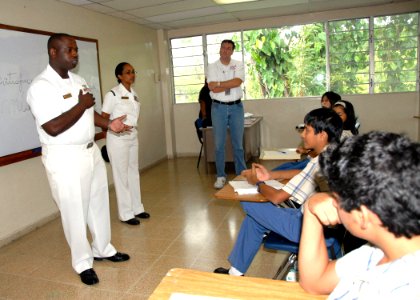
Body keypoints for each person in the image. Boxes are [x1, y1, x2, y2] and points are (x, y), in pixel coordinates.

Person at [26, 33, 131, 285]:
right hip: (64, 156)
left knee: (98, 202)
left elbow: (89, 112)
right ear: (53, 52)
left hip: (89, 150)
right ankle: (82, 263)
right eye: (69, 50)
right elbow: (52, 126)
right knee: (74, 210)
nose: (75, 54)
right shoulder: (41, 86)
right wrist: (81, 105)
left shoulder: (78, 80)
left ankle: (103, 248)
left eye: (75, 50)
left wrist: (109, 124)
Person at [213, 108, 343, 276]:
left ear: (322, 135)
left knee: (247, 200)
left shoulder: (319, 161)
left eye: (307, 130)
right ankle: (235, 273)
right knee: (254, 220)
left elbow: (277, 198)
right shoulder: (334, 154)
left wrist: (258, 182)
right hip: (323, 225)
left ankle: (236, 271)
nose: (303, 134)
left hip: (308, 227)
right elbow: (302, 174)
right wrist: (269, 176)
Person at [298, 131, 420, 298]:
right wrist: (311, 210)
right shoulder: (378, 251)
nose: (332, 203)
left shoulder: (403, 289)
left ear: (362, 216)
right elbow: (315, 282)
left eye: (337, 198)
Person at [101, 62, 150, 226]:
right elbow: (103, 118)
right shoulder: (113, 94)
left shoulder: (134, 94)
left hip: (132, 135)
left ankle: (137, 208)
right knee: (121, 176)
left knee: (133, 172)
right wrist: (115, 127)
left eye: (133, 71)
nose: (132, 75)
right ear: (119, 76)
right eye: (128, 72)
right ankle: (126, 214)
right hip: (117, 138)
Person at [207, 39, 246, 189]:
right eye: (223, 48)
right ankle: (221, 176)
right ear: (220, 49)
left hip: (236, 107)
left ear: (232, 51)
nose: (225, 51)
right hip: (218, 108)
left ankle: (241, 174)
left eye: (229, 48)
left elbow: (237, 82)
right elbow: (212, 88)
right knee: (218, 145)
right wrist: (220, 85)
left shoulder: (238, 64)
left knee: (238, 144)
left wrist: (219, 84)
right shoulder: (212, 67)